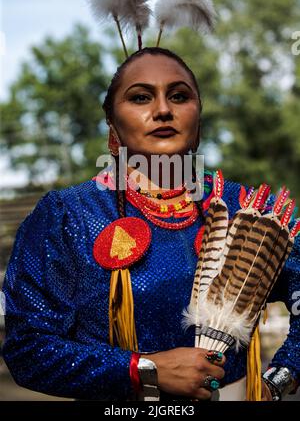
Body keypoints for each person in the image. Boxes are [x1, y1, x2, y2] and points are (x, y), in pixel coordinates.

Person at [2, 46, 300, 401]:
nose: (162, 110)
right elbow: (28, 348)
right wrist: (143, 369)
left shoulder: (246, 209)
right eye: (141, 97)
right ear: (113, 128)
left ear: (198, 121)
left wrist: (279, 379)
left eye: (179, 96)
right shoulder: (68, 216)